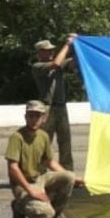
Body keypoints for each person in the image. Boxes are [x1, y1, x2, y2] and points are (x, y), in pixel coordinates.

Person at [6, 100, 83, 218]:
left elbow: (50, 162)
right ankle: (18, 207)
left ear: (44, 118)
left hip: (40, 178)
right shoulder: (17, 137)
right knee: (45, 214)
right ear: (26, 117)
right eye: (31, 116)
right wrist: (30, 190)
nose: (34, 119)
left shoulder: (43, 136)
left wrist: (75, 178)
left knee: (69, 177)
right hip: (23, 183)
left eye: (38, 116)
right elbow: (13, 168)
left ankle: (57, 213)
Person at [31, 33, 77, 170]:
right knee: (44, 141)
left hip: (61, 107)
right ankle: (39, 171)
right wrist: (68, 44)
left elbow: (74, 62)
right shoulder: (38, 66)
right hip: (47, 108)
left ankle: (67, 174)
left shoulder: (59, 64)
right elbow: (56, 64)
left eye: (52, 50)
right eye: (47, 50)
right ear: (39, 53)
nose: (51, 52)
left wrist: (78, 45)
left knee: (65, 142)